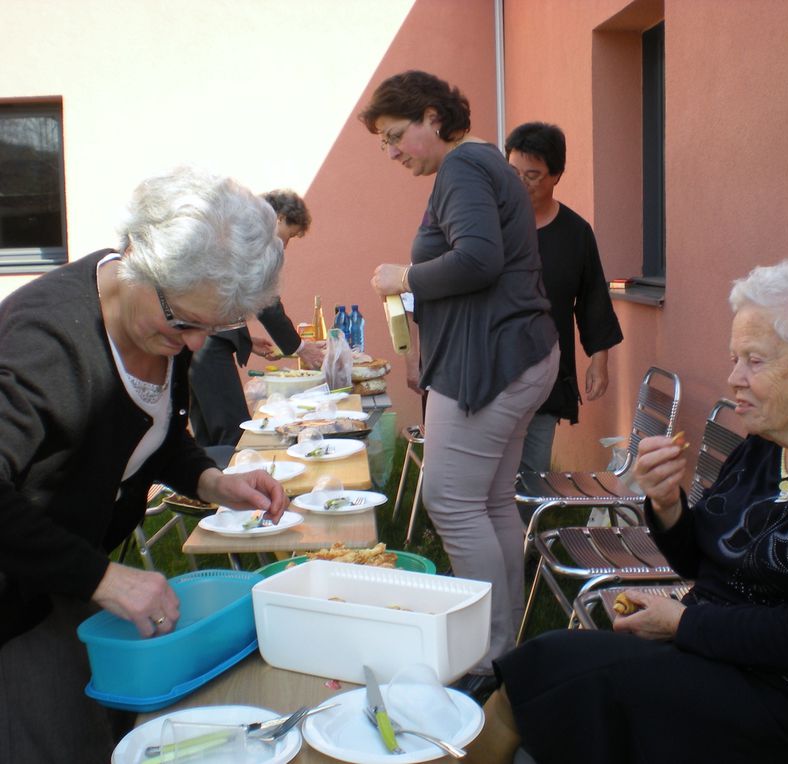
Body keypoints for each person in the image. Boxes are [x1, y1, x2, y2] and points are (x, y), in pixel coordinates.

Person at [467, 260, 788, 763]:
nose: (734, 378)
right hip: (727, 661)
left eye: (755, 362)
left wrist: (682, 625)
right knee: (559, 675)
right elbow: (701, 560)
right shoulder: (771, 438)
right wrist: (667, 502)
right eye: (735, 358)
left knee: (547, 672)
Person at [0, 167, 291, 761]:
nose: (192, 345)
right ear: (138, 259)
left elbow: (155, 427)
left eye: (212, 328)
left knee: (115, 728)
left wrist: (212, 481)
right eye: (184, 322)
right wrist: (103, 580)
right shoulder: (41, 342)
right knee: (55, 740)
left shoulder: (163, 317)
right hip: (15, 601)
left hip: (70, 573)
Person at [360, 70, 560, 699]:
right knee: (492, 503)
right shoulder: (477, 166)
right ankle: (505, 654)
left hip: (491, 363)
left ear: (432, 117)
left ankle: (487, 659)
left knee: (450, 502)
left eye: (397, 136)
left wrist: (405, 275)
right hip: (515, 352)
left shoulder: (463, 169)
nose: (392, 152)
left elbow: (478, 260)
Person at [505, 122, 623, 474]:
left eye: (533, 175)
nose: (521, 183)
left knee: (533, 474)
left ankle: (526, 530)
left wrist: (599, 361)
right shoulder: (490, 226)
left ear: (556, 176)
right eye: (513, 172)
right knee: (490, 475)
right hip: (492, 373)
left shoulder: (575, 233)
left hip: (546, 374)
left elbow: (592, 299)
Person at [189, 189, 325, 447]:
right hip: (206, 346)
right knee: (234, 434)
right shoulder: (255, 239)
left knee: (208, 436)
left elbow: (224, 293)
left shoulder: (235, 231)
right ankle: (236, 485)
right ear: (279, 218)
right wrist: (300, 348)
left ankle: (208, 485)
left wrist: (245, 339)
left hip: (197, 343)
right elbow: (267, 303)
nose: (286, 244)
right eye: (291, 234)